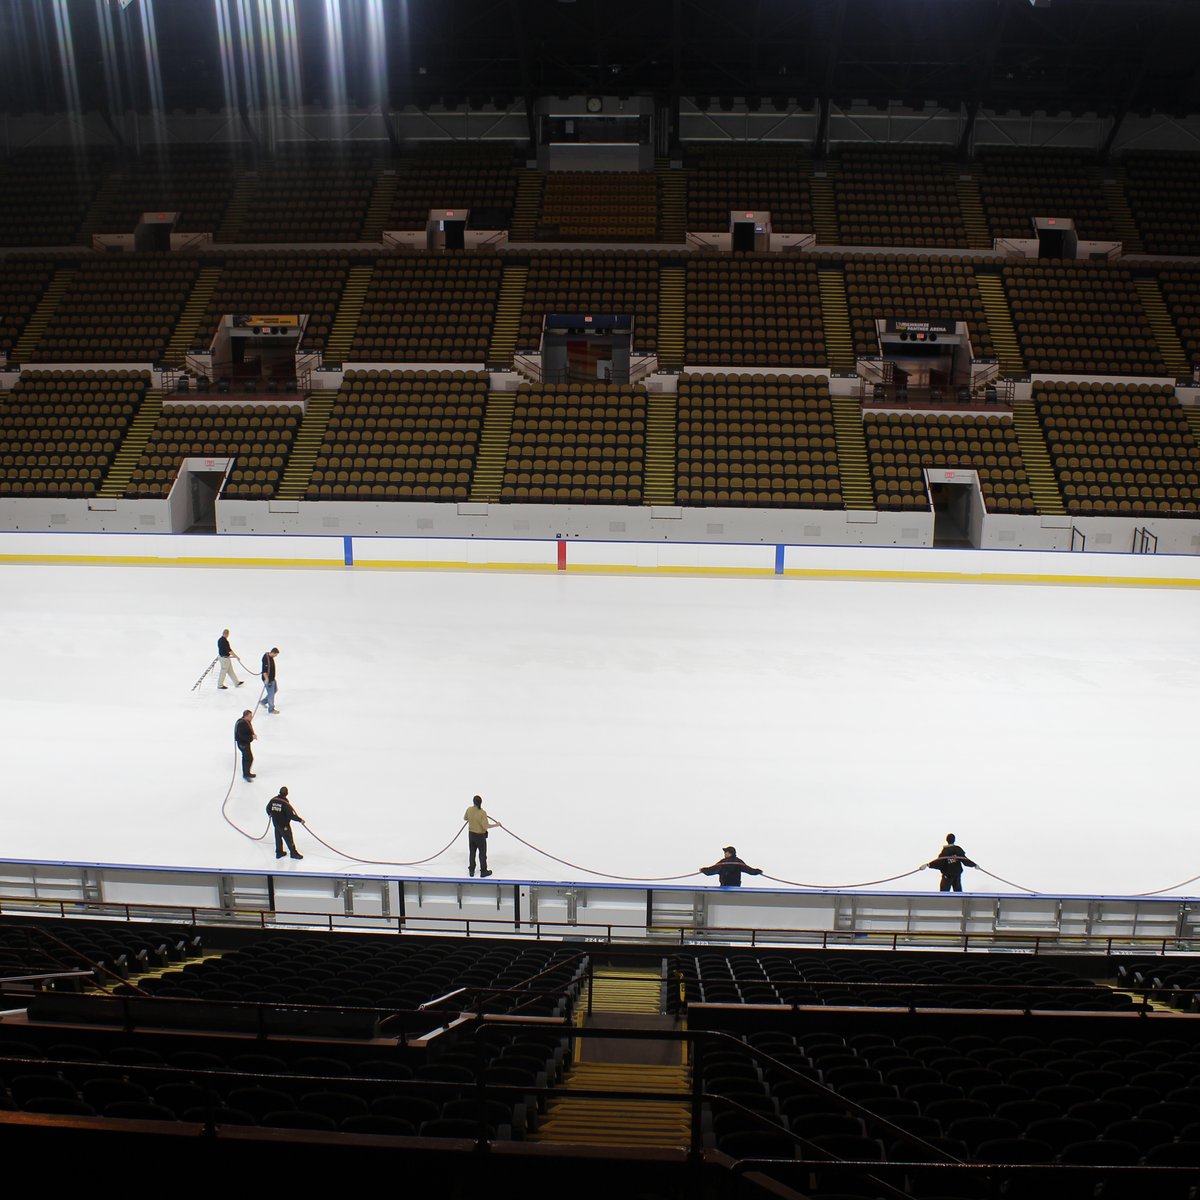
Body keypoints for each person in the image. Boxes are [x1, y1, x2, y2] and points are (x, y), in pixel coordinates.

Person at [463, 794, 499, 878]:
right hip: (480, 836)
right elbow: (485, 827)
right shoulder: (482, 813)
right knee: (482, 854)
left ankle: (471, 871)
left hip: (471, 835)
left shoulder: (469, 809)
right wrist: (496, 824)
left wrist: (472, 818)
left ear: (473, 802)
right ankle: (483, 871)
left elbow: (465, 818)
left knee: (472, 853)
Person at [266, 786, 304, 860]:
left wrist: (269, 813)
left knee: (278, 838)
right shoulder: (285, 803)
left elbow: (267, 808)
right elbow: (291, 815)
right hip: (284, 825)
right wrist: (300, 820)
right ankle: (293, 853)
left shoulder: (273, 800)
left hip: (276, 824)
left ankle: (279, 853)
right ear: (287, 793)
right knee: (289, 839)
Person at [234, 710, 256, 781]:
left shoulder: (245, 721)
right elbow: (242, 735)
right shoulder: (242, 724)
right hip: (243, 744)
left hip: (245, 743)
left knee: (247, 758)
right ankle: (246, 774)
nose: (251, 717)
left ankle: (247, 772)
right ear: (246, 716)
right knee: (248, 758)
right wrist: (251, 737)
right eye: (250, 716)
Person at [260, 647, 280, 714]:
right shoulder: (266, 659)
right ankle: (271, 709)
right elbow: (264, 671)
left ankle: (263, 702)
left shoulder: (270, 657)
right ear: (273, 653)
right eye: (276, 655)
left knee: (275, 690)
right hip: (269, 680)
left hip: (272, 678)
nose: (276, 656)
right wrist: (266, 679)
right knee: (271, 695)